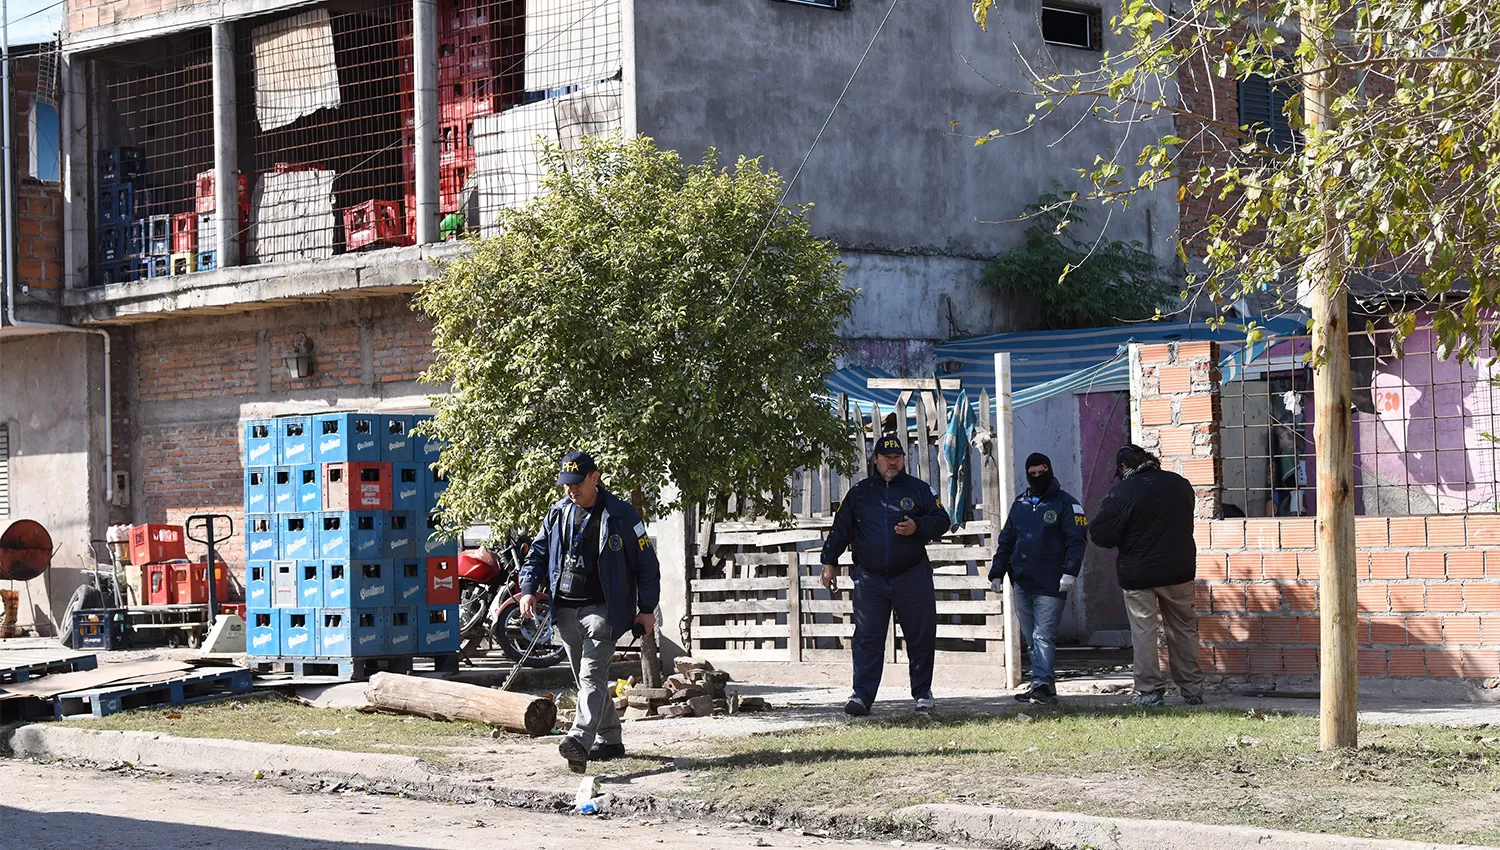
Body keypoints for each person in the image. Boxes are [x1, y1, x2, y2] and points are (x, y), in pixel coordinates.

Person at [520, 450, 660, 772]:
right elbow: (537, 556)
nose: (572, 490)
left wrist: (647, 609)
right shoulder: (557, 514)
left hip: (603, 611)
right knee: (588, 683)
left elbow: (646, 565)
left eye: (578, 483)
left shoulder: (622, 514)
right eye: (566, 485)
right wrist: (527, 590)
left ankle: (579, 740)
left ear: (595, 478)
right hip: (566, 611)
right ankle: (610, 739)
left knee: (592, 675)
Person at [821, 435, 952, 715]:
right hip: (870, 578)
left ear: (903, 460)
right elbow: (840, 529)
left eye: (897, 457)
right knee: (867, 637)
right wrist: (829, 561)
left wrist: (918, 527)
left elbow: (943, 521)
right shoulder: (859, 492)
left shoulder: (919, 489)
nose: (892, 462)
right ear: (876, 460)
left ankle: (922, 694)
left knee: (920, 636)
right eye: (886, 457)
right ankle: (862, 696)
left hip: (911, 574)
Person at [1088, 444, 1204, 707]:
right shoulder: (1181, 485)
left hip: (1139, 575)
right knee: (1183, 629)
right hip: (1180, 570)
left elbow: (1102, 535)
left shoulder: (1123, 491)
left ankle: (1150, 691)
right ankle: (1192, 689)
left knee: (1144, 632)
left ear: (1124, 467)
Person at [988, 452, 1088, 706]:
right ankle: (1042, 684)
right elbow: (1007, 540)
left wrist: (1070, 572)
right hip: (1022, 580)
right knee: (1031, 636)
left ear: (1049, 470)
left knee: (1043, 635)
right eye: (1031, 474)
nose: (1036, 478)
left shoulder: (1067, 504)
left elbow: (1076, 541)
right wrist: (997, 571)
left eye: (1040, 473)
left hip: (1052, 582)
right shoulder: (1020, 504)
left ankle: (1041, 683)